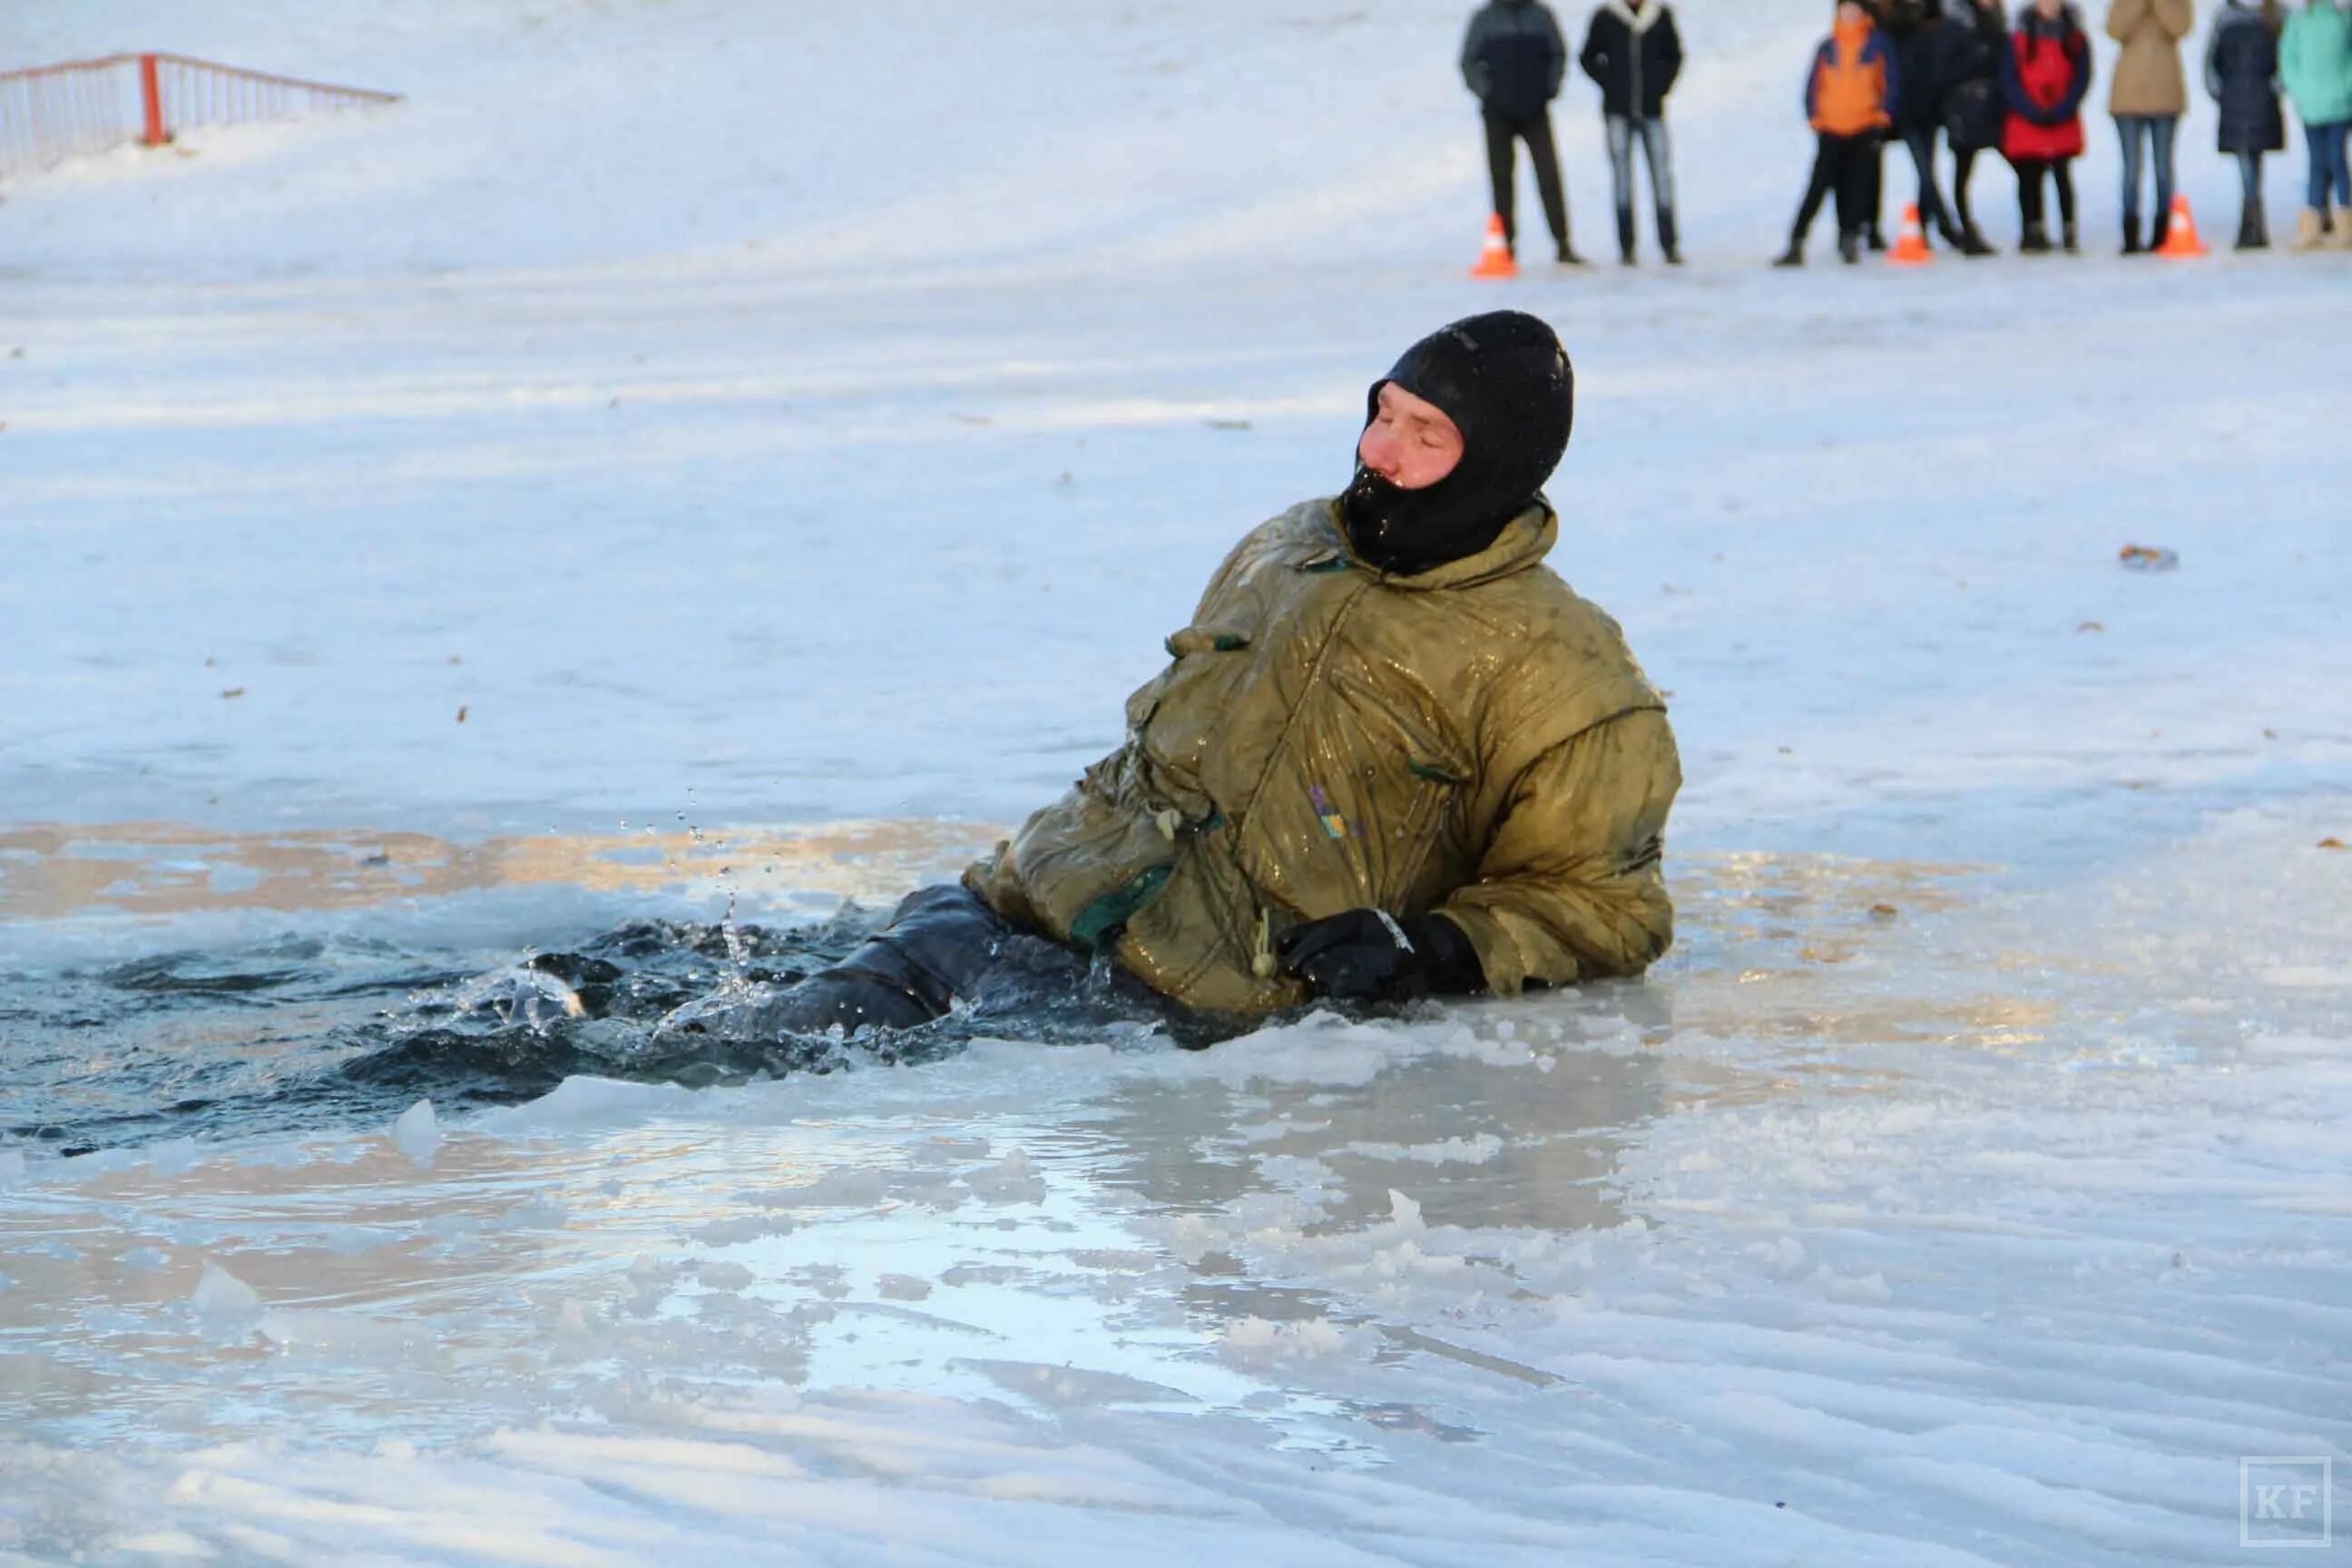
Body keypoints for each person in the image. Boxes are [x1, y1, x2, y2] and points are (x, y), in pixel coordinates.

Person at [754, 314, 1682, 1037]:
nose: (1379, 452)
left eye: (1425, 434)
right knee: (685, 1030)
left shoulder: (1566, 676)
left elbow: (1605, 905)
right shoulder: (1293, 546)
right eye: (1382, 413)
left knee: (752, 1076)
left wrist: (1433, 949)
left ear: (1498, 465)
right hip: (1020, 904)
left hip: (1173, 1000)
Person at [1777, 1, 1903, 266]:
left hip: (1864, 125)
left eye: (1854, 10)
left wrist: (1883, 115)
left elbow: (1890, 81)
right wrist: (1814, 116)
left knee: (1856, 186)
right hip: (1831, 127)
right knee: (1818, 186)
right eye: (1845, 10)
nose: (1849, 15)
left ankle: (1849, 237)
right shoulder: (1827, 47)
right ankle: (1797, 240)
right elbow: (1813, 84)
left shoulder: (1876, 45)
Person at [1463, 0, 1588, 264]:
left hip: (1536, 112)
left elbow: (1558, 54)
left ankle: (1562, 242)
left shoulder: (1542, 16)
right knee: (1501, 180)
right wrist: (1488, 94)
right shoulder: (1484, 18)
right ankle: (1505, 245)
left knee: (1549, 177)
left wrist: (1549, 89)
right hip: (1498, 115)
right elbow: (1468, 61)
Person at [1579, 0, 1687, 264]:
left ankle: (1668, 243)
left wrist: (1660, 85)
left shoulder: (1660, 15)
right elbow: (1588, 57)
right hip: (1617, 111)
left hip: (1652, 110)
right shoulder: (1606, 16)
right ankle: (1627, 246)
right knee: (1622, 180)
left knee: (1661, 177)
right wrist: (1610, 83)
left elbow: (1675, 55)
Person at [2002, 0, 2095, 253]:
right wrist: (2030, 110)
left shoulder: (2075, 36)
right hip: (2028, 116)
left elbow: (2082, 77)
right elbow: (2009, 78)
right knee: (2029, 176)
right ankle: (2032, 228)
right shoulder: (2020, 36)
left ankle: (2068, 227)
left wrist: (2063, 108)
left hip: (2060, 115)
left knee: (2062, 174)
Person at [2106, 0, 2196, 253]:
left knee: (2163, 167)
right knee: (2131, 167)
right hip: (2128, 96)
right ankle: (2130, 230)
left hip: (2165, 93)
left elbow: (2180, 27)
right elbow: (2114, 29)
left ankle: (2163, 229)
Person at [2206, 0, 2288, 249]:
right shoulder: (2276, 16)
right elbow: (2286, 61)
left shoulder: (2224, 19)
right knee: (2253, 160)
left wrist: (2222, 92)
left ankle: (2250, 220)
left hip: (2235, 102)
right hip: (2261, 101)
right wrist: (2274, 88)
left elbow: (2210, 65)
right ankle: (2253, 218)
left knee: (2246, 160)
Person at [1882, 0, 1965, 247]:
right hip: (1907, 110)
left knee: (1927, 170)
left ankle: (1923, 227)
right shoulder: (1895, 26)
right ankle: (1945, 225)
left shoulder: (1934, 23)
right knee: (1925, 171)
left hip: (1929, 108)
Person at [1936, 0, 2011, 252]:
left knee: (2021, 162)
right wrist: (1980, 55)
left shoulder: (1997, 19)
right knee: (1962, 171)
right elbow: (1945, 68)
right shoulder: (1955, 22)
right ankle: (1964, 229)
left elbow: (2004, 60)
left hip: (1992, 105)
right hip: (1963, 105)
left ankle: (2033, 225)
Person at [2281, 0, 2352, 249]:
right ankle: (2313, 220)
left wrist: (2346, 87)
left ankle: (2345, 219)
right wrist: (2300, 89)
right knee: (2315, 162)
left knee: (2337, 159)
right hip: (2311, 105)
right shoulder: (2299, 20)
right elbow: (2287, 58)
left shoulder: (2343, 19)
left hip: (2340, 105)